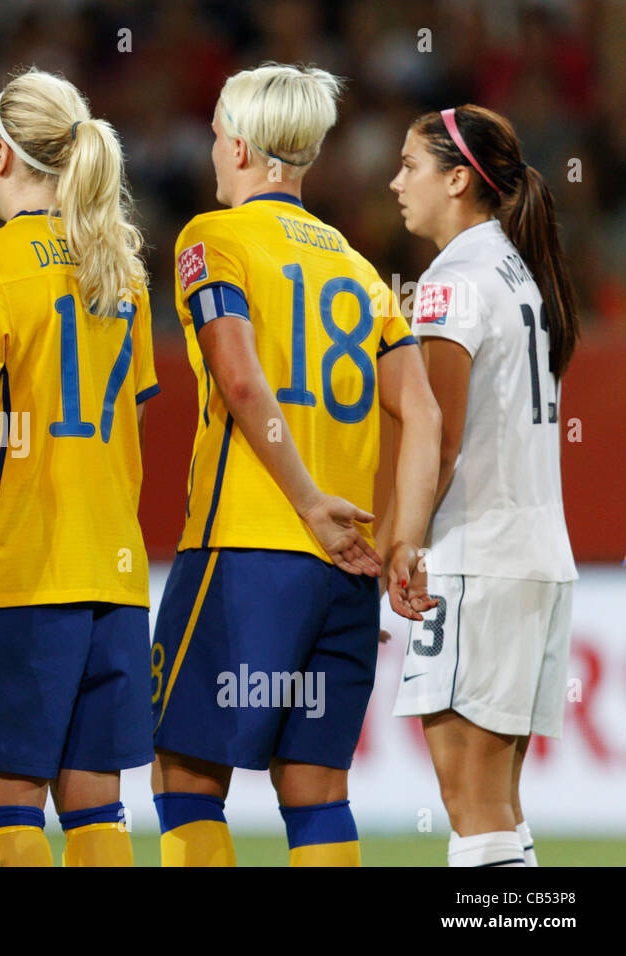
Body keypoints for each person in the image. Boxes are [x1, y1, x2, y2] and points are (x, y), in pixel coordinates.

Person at [150, 62, 442, 867]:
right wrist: (403, 539)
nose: (211, 151)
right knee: (315, 795)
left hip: (247, 551)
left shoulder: (214, 239)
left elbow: (240, 378)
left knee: (186, 777)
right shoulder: (358, 270)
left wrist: (308, 499)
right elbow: (422, 412)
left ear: (241, 146)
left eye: (214, 135)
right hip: (347, 566)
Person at [0, 68, 159, 868]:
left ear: (3, 154)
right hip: (114, 582)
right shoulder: (122, 272)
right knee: (99, 819)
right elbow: (134, 423)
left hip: (16, 576)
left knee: (10, 820)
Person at [388, 105, 579, 868]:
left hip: (478, 562)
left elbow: (437, 433)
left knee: (473, 810)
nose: (394, 181)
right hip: (535, 560)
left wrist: (398, 541)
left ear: (459, 179)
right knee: (498, 805)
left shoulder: (453, 279)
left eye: (410, 166)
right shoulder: (516, 271)